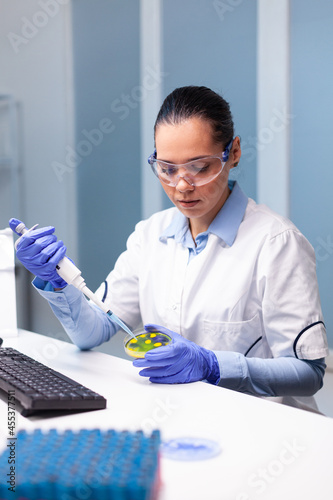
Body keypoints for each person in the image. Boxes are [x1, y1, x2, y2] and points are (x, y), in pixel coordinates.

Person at [11, 86, 328, 412]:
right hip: (174, 417)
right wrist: (57, 280)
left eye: (199, 167)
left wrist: (214, 366)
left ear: (233, 153)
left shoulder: (276, 243)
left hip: (265, 428)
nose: (181, 186)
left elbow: (309, 372)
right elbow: (92, 331)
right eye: (167, 168)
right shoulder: (150, 235)